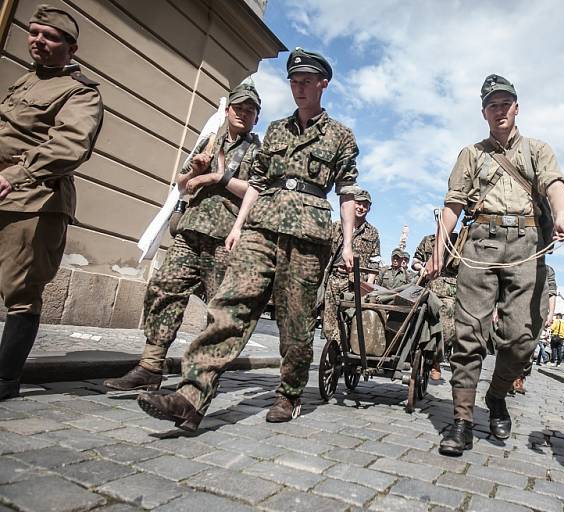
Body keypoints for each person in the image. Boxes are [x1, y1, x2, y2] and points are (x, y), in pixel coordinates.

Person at [136, 47, 359, 428]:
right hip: (261, 227)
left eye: (306, 81)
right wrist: (239, 226)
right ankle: (191, 396)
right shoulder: (275, 130)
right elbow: (256, 184)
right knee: (230, 305)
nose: (298, 88)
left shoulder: (340, 136)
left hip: (308, 238)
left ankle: (289, 395)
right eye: (294, 81)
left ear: (323, 84)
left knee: (296, 324)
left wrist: (349, 244)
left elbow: (348, 193)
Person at [427, 74, 564, 456]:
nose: (500, 110)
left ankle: (496, 395)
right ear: (484, 112)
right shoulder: (471, 154)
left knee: (522, 338)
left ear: (516, 107)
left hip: (527, 244)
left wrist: (561, 215)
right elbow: (454, 204)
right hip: (481, 242)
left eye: (506, 103)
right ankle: (461, 420)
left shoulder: (537, 150)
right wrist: (439, 246)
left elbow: (555, 183)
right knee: (469, 332)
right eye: (493, 104)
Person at [104, 83, 262, 392]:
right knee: (165, 291)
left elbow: (256, 192)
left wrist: (220, 177)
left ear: (256, 117)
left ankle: (200, 377)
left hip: (226, 238)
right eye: (239, 107)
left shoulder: (258, 151)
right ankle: (150, 366)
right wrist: (196, 171)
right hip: (190, 231)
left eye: (250, 110)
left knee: (221, 311)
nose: (243, 113)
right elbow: (182, 184)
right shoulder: (209, 141)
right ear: (228, 110)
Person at [0, 5, 103, 401]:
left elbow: (70, 145)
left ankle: (5, 378)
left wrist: (15, 175)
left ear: (71, 48)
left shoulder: (80, 92)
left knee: (21, 291)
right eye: (34, 31)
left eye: (50, 36)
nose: (38, 40)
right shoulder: (22, 82)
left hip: (33, 202)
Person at [321, 187, 380, 344]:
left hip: (355, 283)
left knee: (349, 322)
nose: (361, 208)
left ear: (369, 208)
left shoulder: (372, 233)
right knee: (328, 322)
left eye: (365, 205)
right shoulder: (337, 226)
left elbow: (374, 263)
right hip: (334, 279)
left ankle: (343, 354)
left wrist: (368, 285)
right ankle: (334, 352)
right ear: (353, 204)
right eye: (359, 203)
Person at [412, 228, 458, 382]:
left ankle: (436, 360)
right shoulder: (428, 240)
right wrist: (421, 267)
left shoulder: (458, 241)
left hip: (448, 292)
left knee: (446, 324)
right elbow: (415, 262)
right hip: (426, 285)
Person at [514, 263, 557, 393]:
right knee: (511, 344)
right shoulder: (519, 263)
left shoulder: (548, 269)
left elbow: (552, 292)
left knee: (529, 348)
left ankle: (520, 378)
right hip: (515, 308)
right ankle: (507, 377)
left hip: (536, 313)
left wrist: (551, 313)